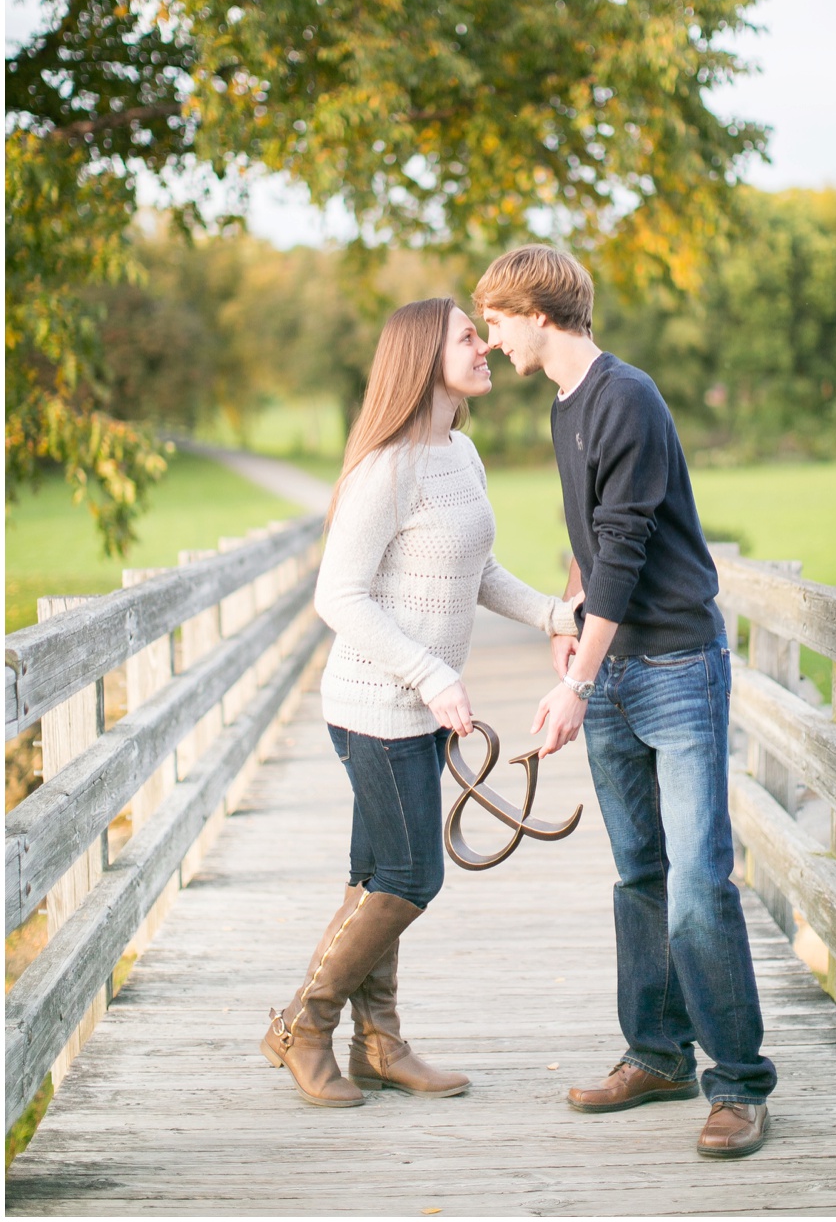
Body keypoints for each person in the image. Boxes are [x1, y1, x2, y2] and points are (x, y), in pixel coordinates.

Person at [473, 243, 776, 1160]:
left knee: (695, 884)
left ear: (538, 312)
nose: (491, 338)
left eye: (496, 319)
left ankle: (740, 1085)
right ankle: (656, 1053)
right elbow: (590, 540)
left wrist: (572, 683)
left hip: (677, 666)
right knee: (638, 873)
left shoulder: (628, 397)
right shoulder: (567, 407)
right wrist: (567, 627)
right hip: (609, 671)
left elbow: (633, 545)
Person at [264, 298, 582, 1107]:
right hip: (374, 708)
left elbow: (474, 573)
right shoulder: (387, 468)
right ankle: (305, 1023)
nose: (484, 346)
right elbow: (338, 596)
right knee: (410, 874)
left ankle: (381, 1044)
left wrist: (553, 613)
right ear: (422, 357)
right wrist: (432, 675)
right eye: (468, 337)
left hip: (414, 710)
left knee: (375, 875)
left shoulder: (461, 456)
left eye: (482, 335)